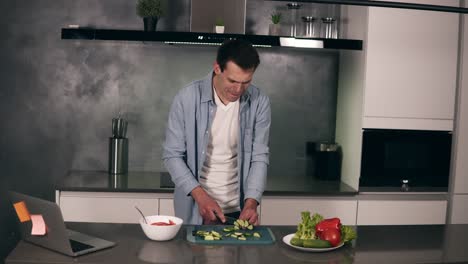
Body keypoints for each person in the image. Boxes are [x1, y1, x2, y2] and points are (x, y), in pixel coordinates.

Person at [162, 39, 271, 225]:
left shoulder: (259, 102)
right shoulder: (187, 98)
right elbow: (172, 156)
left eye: (246, 82)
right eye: (233, 80)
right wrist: (201, 197)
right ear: (217, 68)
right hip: (196, 209)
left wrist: (252, 203)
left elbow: (259, 157)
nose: (238, 89)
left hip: (240, 210)